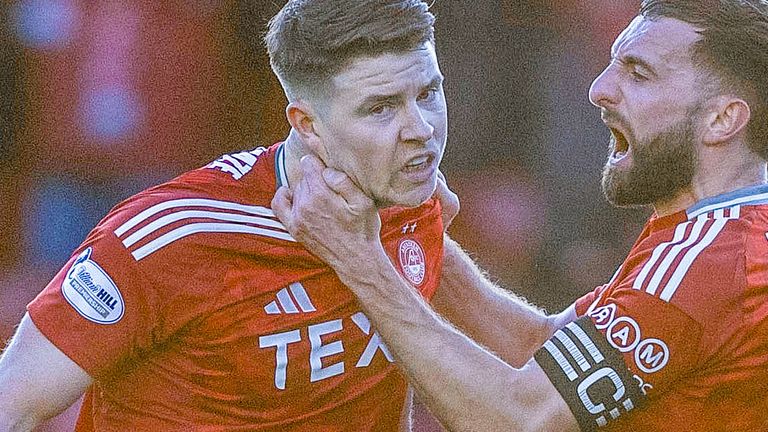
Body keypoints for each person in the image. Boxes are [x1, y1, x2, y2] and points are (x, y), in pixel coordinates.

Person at [272, 0, 768, 430]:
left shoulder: (715, 260)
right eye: (613, 65)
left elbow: (518, 420)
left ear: (723, 119)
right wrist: (416, 240)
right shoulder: (713, 233)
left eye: (638, 74)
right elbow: (545, 349)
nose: (599, 88)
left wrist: (359, 260)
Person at [0, 0, 449, 430]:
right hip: (68, 170)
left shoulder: (414, 210)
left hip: (151, 154)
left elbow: (515, 385)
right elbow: (13, 404)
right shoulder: (170, 236)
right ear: (306, 124)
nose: (421, 130)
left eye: (429, 93)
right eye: (380, 107)